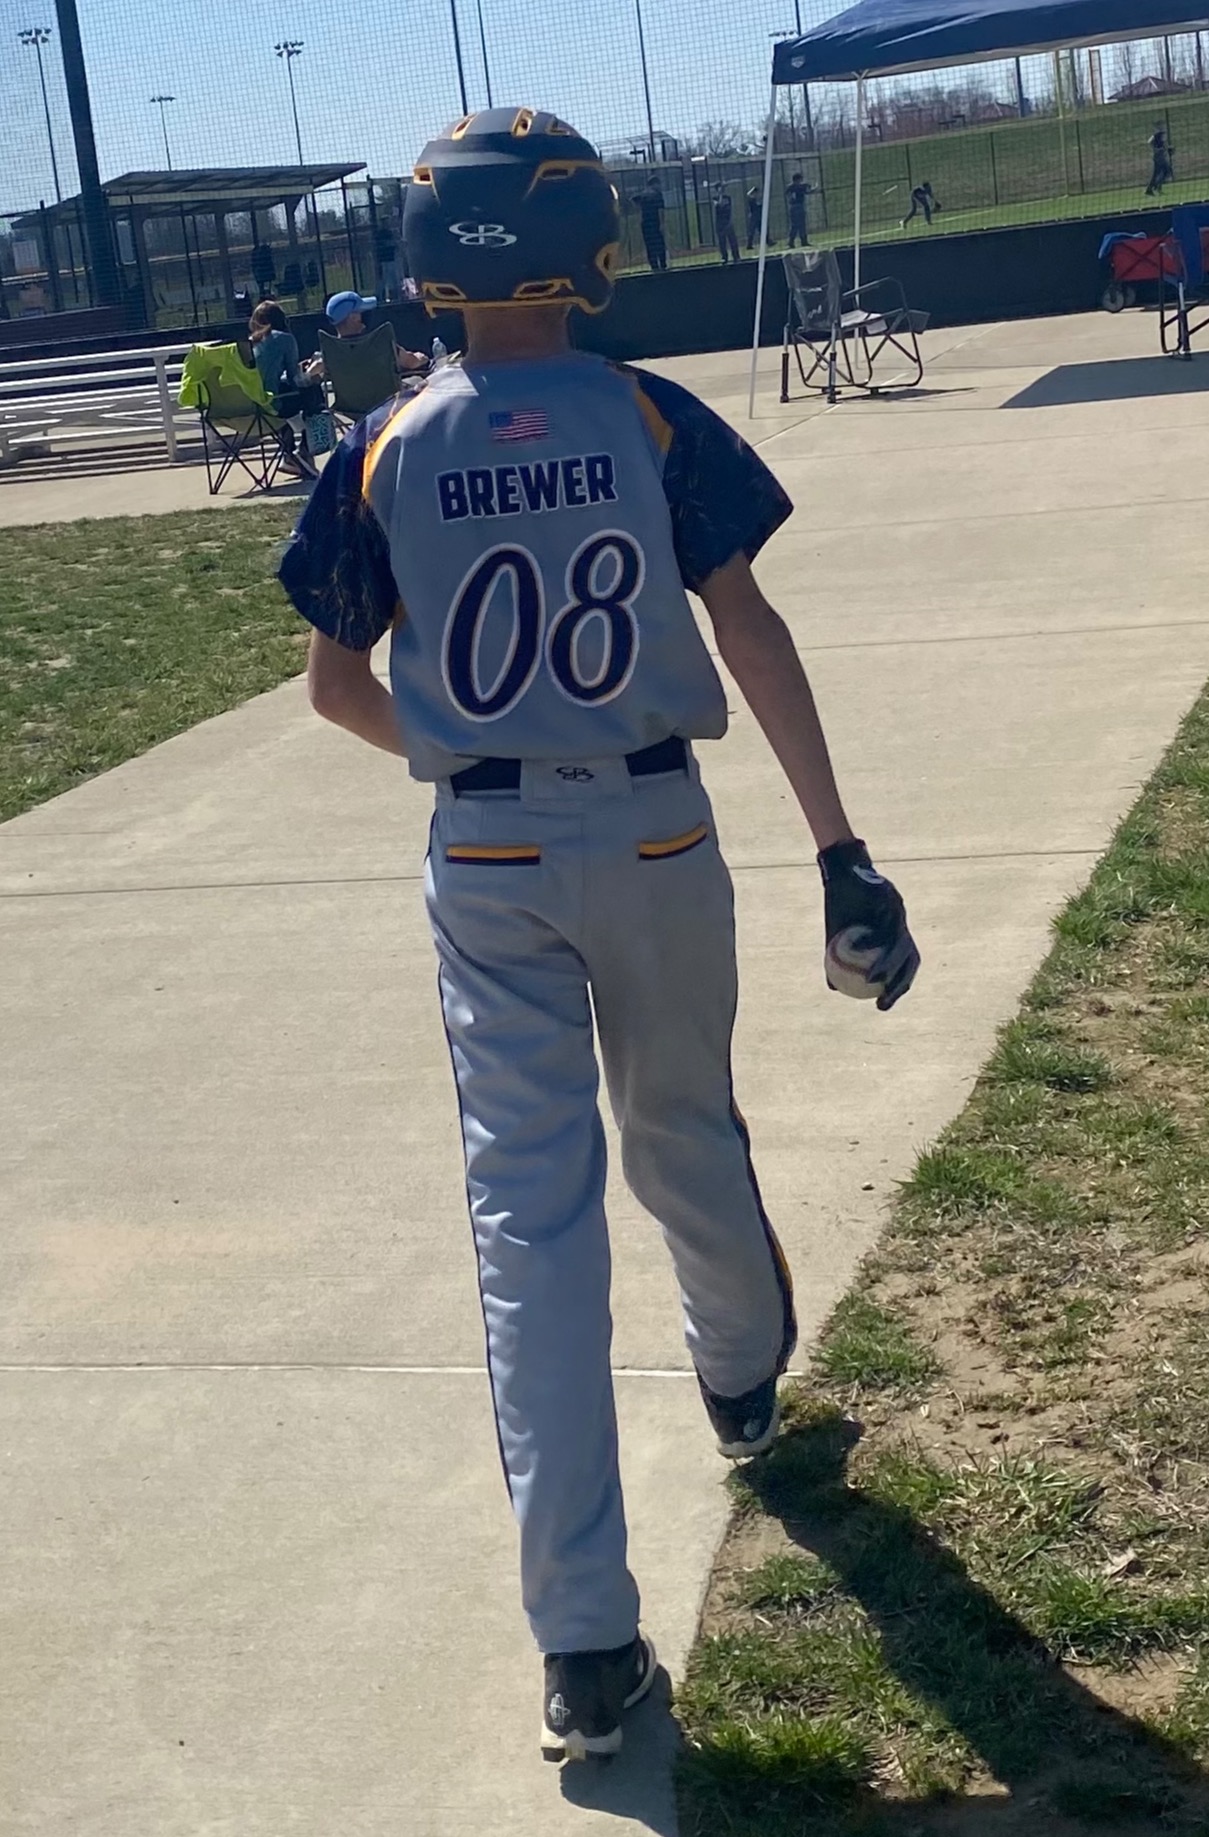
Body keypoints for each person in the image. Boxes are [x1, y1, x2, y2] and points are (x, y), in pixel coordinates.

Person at [278, 106, 918, 1768]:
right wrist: (839, 849)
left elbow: (335, 684)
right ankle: (740, 1374)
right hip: (653, 826)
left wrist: (459, 757)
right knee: (681, 1123)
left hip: (486, 842)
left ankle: (579, 1636)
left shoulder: (383, 442)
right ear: (590, 247)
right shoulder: (644, 409)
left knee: (530, 1227)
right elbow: (746, 625)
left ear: (429, 259)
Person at [247, 299, 322, 479]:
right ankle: (304, 450)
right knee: (313, 392)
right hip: (274, 404)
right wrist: (310, 373)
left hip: (251, 405)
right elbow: (294, 379)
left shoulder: (251, 342)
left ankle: (288, 454)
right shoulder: (285, 339)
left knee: (282, 392)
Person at [323, 290, 428, 375]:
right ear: (353, 317)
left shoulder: (329, 354)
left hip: (347, 396)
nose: (363, 316)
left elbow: (316, 369)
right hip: (389, 395)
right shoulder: (380, 343)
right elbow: (411, 363)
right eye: (360, 312)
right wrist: (421, 358)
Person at [632, 178, 667, 271]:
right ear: (654, 184)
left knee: (650, 246)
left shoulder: (643, 195)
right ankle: (663, 265)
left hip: (646, 224)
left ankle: (654, 266)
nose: (660, 186)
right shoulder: (657, 195)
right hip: (655, 223)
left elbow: (634, 201)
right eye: (659, 184)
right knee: (659, 244)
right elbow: (660, 210)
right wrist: (662, 223)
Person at [785, 171, 813, 248]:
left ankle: (791, 242)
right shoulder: (801, 187)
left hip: (792, 207)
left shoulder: (790, 187)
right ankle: (803, 241)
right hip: (799, 206)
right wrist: (812, 188)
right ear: (798, 179)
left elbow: (788, 193)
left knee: (794, 225)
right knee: (801, 224)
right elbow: (807, 191)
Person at [715, 185, 740, 264]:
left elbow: (730, 208)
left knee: (733, 241)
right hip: (720, 224)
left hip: (728, 222)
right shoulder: (715, 198)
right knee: (722, 242)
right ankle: (724, 257)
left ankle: (736, 257)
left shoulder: (728, 198)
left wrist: (730, 220)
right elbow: (719, 205)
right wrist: (720, 195)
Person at [1146, 124, 1174, 196]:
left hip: (1159, 157)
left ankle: (1151, 188)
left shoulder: (1158, 137)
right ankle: (1156, 186)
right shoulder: (1157, 136)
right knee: (1167, 171)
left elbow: (1160, 145)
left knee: (1157, 174)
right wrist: (1157, 149)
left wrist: (1166, 149)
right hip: (1159, 157)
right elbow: (1150, 142)